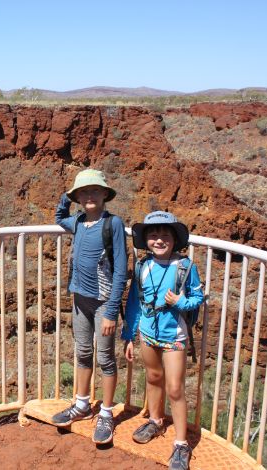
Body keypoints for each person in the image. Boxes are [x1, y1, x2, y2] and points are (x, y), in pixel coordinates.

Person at [51, 169, 128, 445]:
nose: (90, 196)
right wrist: (66, 196)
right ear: (78, 197)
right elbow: (60, 218)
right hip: (79, 299)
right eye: (83, 192)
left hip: (103, 302)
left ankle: (106, 412)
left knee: (105, 357)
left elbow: (121, 270)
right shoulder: (79, 221)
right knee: (83, 351)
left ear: (105, 194)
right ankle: (82, 404)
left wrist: (111, 310)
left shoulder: (113, 224)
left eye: (95, 190)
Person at [122, 211, 203, 470]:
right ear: (146, 240)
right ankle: (156, 421)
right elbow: (135, 303)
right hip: (147, 333)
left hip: (174, 336)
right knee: (153, 377)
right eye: (153, 235)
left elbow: (197, 298)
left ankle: (181, 443)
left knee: (175, 388)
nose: (159, 240)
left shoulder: (185, 267)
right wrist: (128, 336)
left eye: (164, 235)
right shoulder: (144, 267)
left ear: (174, 238)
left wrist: (179, 302)